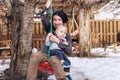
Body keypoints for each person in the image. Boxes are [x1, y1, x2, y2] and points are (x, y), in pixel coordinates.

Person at [27, 0, 72, 80]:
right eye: (54, 20)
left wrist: (58, 41)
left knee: (55, 61)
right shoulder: (49, 28)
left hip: (56, 56)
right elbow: (44, 19)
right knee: (34, 57)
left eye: (59, 20)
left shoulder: (66, 35)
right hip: (44, 54)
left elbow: (69, 51)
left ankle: (62, 78)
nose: (56, 22)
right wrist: (46, 7)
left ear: (63, 21)